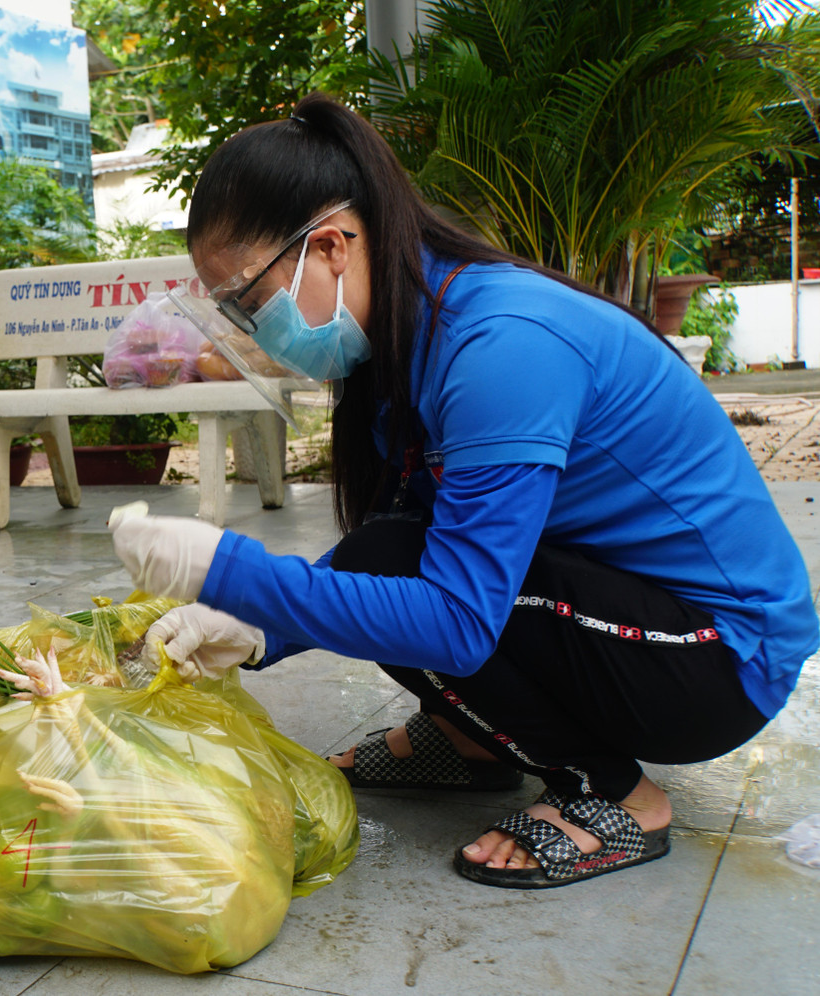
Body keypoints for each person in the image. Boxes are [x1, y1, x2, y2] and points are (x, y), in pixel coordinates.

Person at [109, 91, 818, 889]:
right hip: (625, 615)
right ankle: (476, 741)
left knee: (425, 597)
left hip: (716, 660)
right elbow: (399, 540)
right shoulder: (404, 343)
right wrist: (257, 626)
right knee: (388, 556)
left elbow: (457, 621)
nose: (245, 328)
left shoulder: (501, 347)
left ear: (333, 246)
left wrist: (232, 575)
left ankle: (620, 797)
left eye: (248, 299)